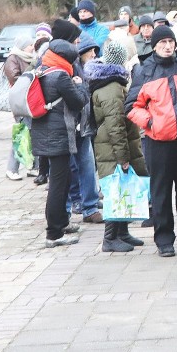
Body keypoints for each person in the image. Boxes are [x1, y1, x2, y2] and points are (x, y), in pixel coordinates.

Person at [126, 25, 177, 257]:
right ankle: (164, 239)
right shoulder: (144, 70)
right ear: (154, 45)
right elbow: (132, 107)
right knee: (161, 191)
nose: (167, 46)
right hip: (159, 142)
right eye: (162, 42)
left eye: (170, 42)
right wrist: (152, 123)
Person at [85, 41, 147, 253]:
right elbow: (115, 126)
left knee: (123, 189)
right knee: (115, 191)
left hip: (113, 146)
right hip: (111, 149)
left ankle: (122, 233)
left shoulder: (113, 81)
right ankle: (109, 238)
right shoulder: (112, 87)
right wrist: (123, 157)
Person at [30, 39, 90, 248]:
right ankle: (54, 233)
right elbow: (78, 101)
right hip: (59, 135)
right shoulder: (61, 76)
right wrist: (81, 86)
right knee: (57, 184)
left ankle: (61, 223)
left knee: (60, 181)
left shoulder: (42, 70)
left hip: (42, 133)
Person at [69, 34, 103, 223]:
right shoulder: (71, 68)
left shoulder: (92, 69)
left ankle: (90, 204)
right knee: (72, 167)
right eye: (89, 50)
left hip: (85, 124)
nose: (93, 53)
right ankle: (77, 201)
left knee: (88, 164)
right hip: (70, 125)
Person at [4, 36, 37, 181]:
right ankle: (12, 168)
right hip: (20, 101)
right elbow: (15, 78)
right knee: (21, 134)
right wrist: (32, 73)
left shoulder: (31, 57)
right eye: (30, 45)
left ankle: (33, 167)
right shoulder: (13, 58)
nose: (32, 47)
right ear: (23, 46)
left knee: (33, 133)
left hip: (30, 99)